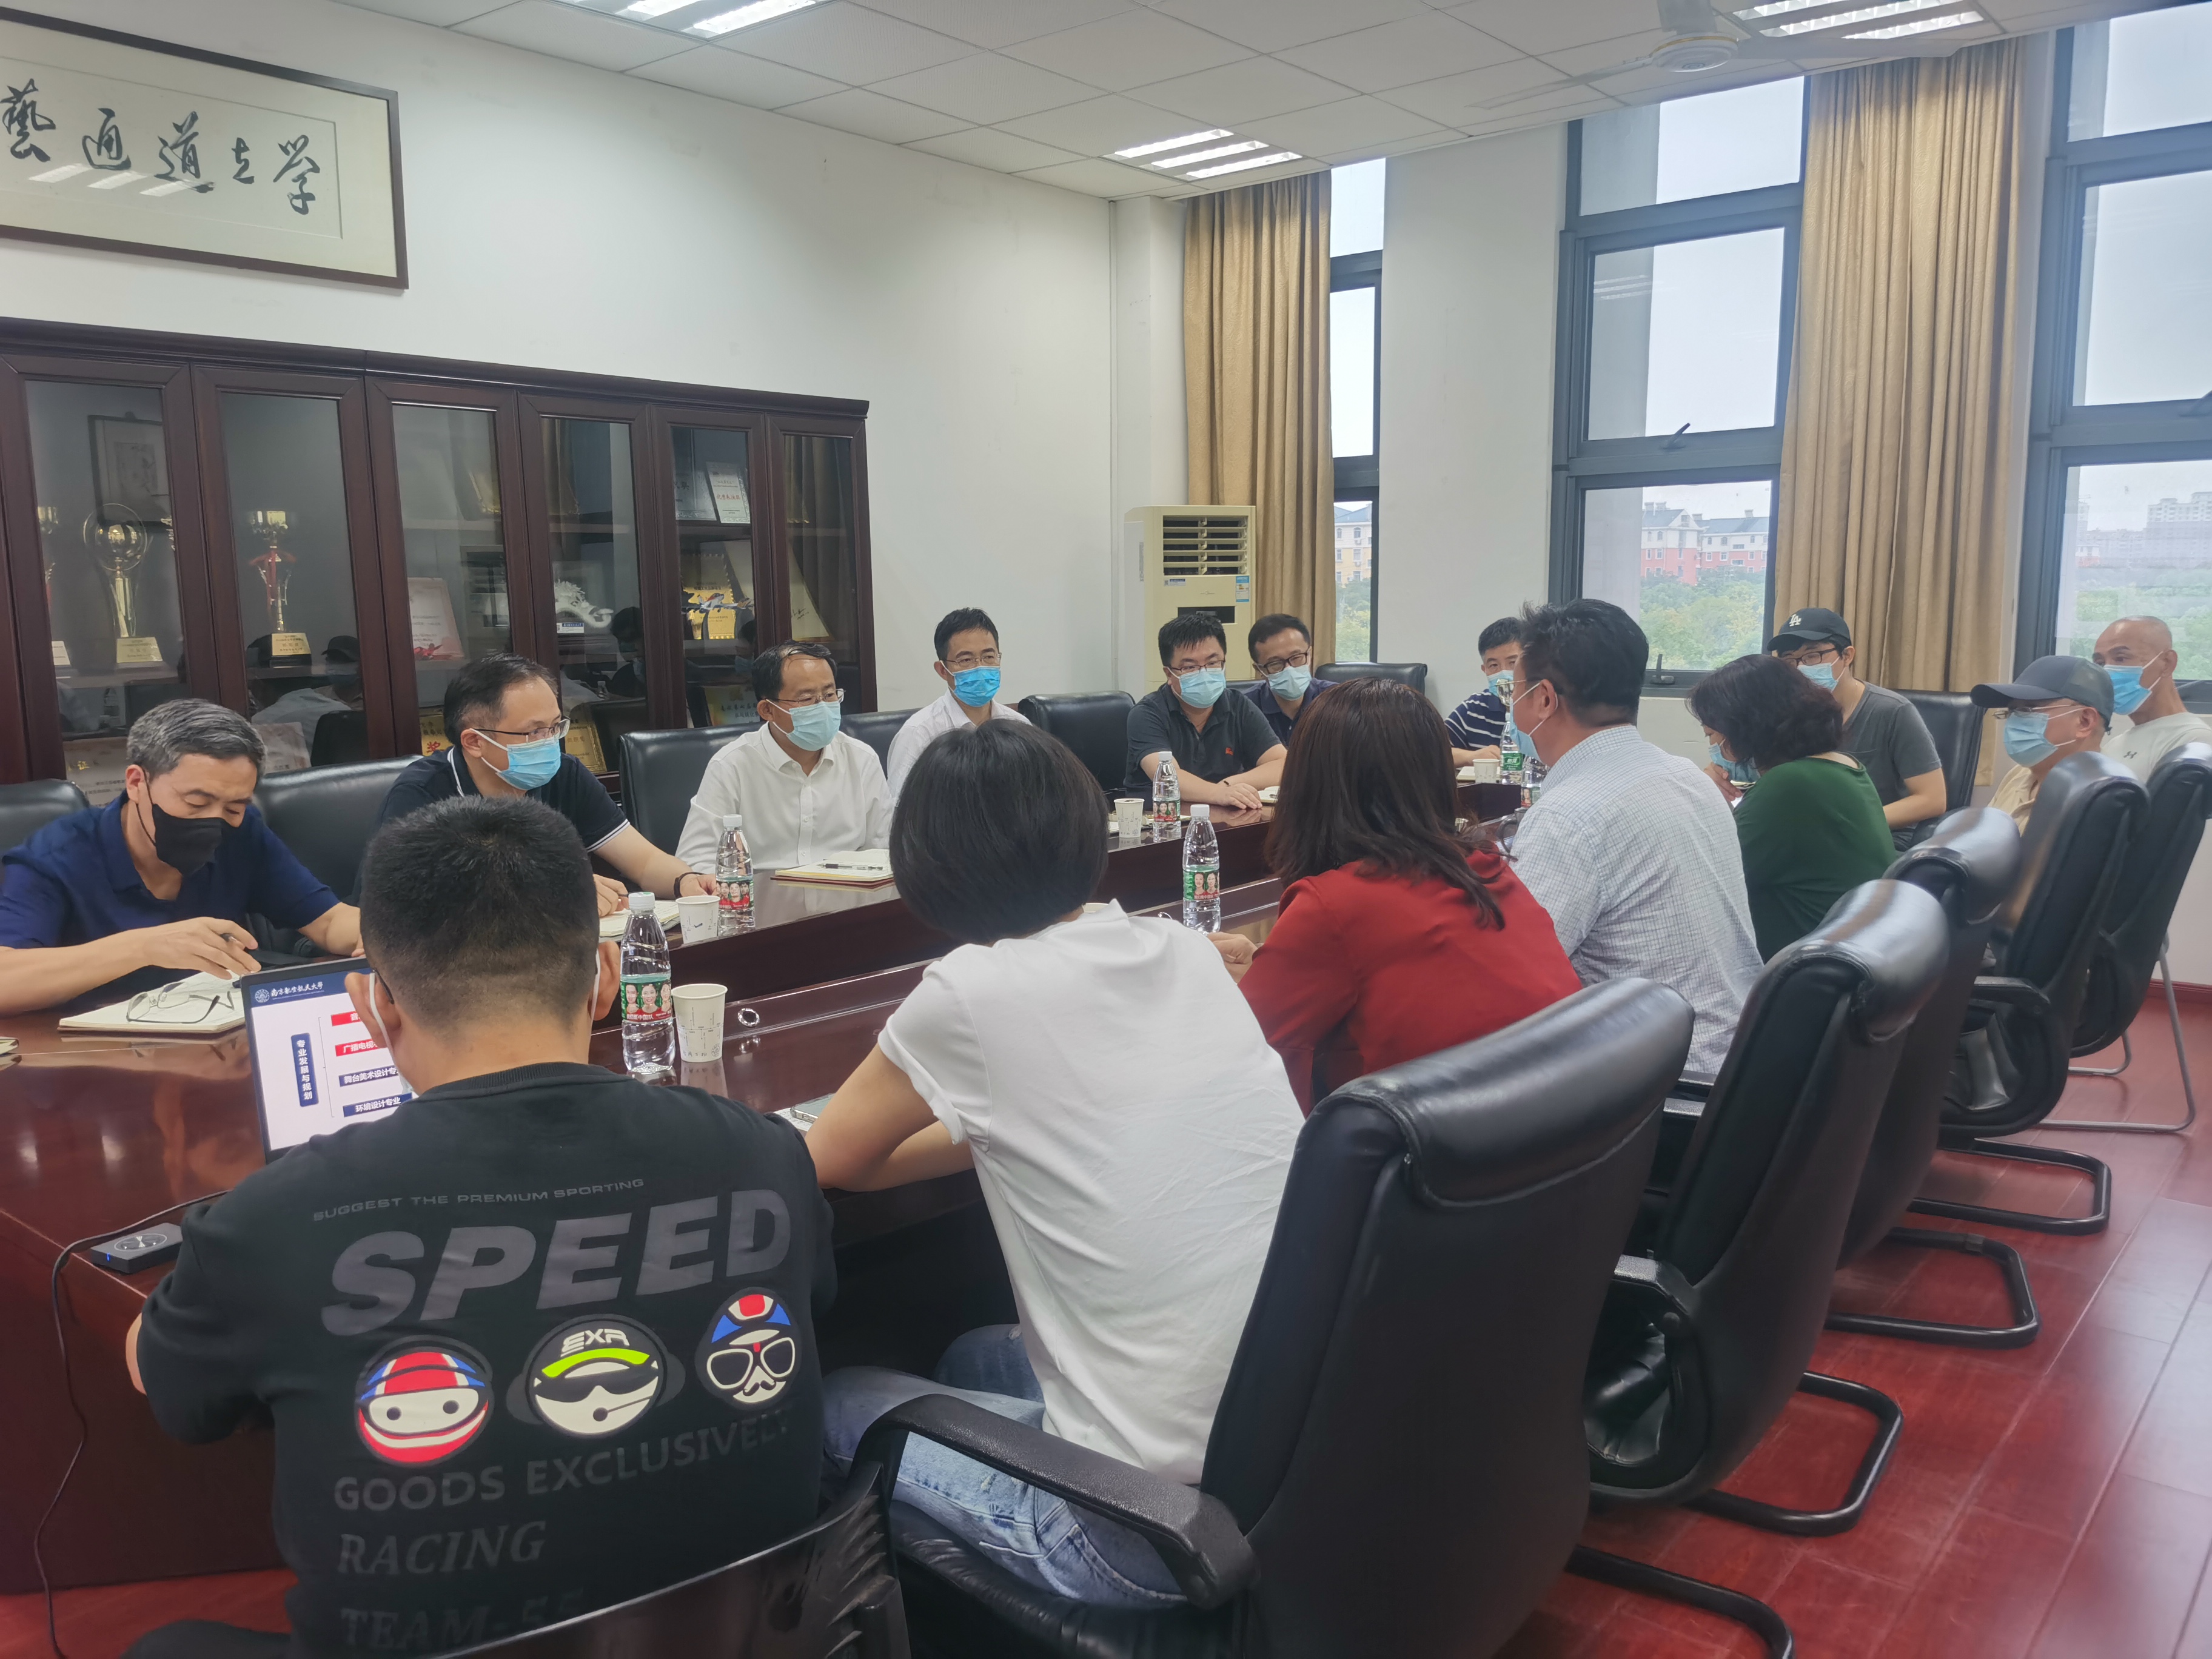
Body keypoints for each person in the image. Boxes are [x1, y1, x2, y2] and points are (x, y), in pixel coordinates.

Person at [124, 796, 834, 1659]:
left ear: (372, 1008)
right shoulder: (765, 1153)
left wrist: (219, 1265)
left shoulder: (274, 1220)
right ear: (606, 980)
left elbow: (169, 1385)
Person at [805, 721, 1300, 1609]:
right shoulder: (1184, 950)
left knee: (833, 1402)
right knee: (971, 1355)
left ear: (930, 869)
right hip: (1297, 1464)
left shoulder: (968, 991)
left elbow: (824, 1159)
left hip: (1145, 1533)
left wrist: (904, 1149)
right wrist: (978, 1134)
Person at [1223, 677, 1583, 1111]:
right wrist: (1273, 959)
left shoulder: (1333, 905)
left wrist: (1206, 982)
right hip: (1559, 1127)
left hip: (1429, 1145)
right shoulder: (1487, 867)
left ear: (1308, 787)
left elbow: (1246, 1057)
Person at [1506, 598, 1761, 1076]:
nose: (1512, 706)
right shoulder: (1686, 776)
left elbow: (1515, 980)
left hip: (1666, 1085)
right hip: (1740, 1059)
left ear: (1543, 699)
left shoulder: (1567, 816)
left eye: (1513, 691)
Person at [0, 701, 360, 1016]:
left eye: (234, 807)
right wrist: (143, 947)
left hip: (215, 1036)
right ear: (136, 783)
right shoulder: (56, 856)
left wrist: (379, 938)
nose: (215, 821)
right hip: (83, 1049)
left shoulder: (242, 834)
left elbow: (329, 921)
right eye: (196, 803)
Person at [374, 654, 712, 916]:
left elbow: (645, 861)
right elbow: (403, 909)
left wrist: (685, 881)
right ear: (475, 742)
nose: (550, 742)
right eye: (534, 731)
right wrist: (555, 892)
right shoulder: (422, 794)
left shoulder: (565, 774)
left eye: (554, 727)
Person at [1689, 655, 1895, 960]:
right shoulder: (1843, 766)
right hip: (1851, 957)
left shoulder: (1790, 784)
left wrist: (1703, 796)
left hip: (1795, 969)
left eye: (1712, 734)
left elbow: (1706, 881)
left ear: (1745, 728)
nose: (1714, 747)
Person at [677, 641, 893, 871]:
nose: (823, 707)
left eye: (830, 695)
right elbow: (696, 862)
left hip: (847, 890)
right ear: (768, 710)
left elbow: (886, 849)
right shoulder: (732, 766)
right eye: (807, 699)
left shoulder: (861, 759)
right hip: (761, 892)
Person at [1764, 608, 1947, 850]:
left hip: (1881, 839)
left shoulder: (1892, 711)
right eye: (1789, 660)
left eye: (1812, 656)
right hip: (1810, 838)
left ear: (1847, 656)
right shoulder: (1787, 713)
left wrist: (1849, 824)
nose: (1800, 669)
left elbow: (1932, 799)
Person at [1123, 615, 1287, 808]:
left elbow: (1282, 763)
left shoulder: (1238, 705)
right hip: (1162, 818)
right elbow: (1167, 778)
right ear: (1169, 673)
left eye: (1213, 663)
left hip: (1227, 815)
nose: (1204, 673)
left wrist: (1229, 785)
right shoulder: (1147, 714)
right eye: (1190, 667)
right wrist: (1218, 793)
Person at [885, 606, 1030, 799]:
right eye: (966, 660)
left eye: (988, 657)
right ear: (942, 670)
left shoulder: (1019, 726)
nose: (980, 667)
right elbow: (902, 809)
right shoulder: (919, 734)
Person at [1974, 655, 2113, 830]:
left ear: (2084, 721)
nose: (2014, 720)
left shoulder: (2102, 801)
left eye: (2028, 709)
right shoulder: (2019, 775)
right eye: (2012, 710)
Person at [2094, 615, 2212, 781]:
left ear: (2167, 663)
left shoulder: (2193, 741)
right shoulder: (2116, 743)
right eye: (2100, 663)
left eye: (2121, 659)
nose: (2107, 671)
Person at [1242, 612, 1338, 748]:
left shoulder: (1338, 700)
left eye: (1296, 657)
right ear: (1260, 670)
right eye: (1275, 663)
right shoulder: (1244, 710)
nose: (1289, 669)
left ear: (1309, 654)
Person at [1445, 617, 1525, 766]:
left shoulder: (1549, 707)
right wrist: (1471, 756)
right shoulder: (1473, 709)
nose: (1503, 672)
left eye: (1513, 663)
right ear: (1485, 670)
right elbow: (1431, 751)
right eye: (1494, 665)